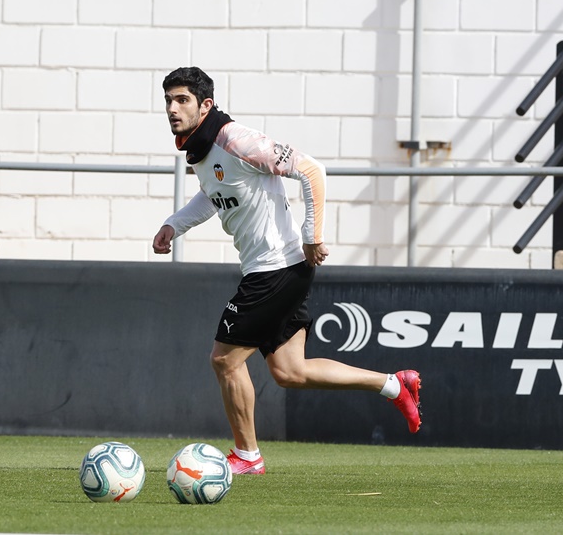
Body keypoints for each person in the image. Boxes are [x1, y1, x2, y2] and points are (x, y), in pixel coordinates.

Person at [151, 66, 421, 476]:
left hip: (276, 269)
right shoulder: (203, 149)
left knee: (224, 360)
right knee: (290, 372)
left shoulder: (236, 139)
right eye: (168, 100)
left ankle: (247, 456)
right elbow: (212, 194)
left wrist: (313, 234)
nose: (172, 108)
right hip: (274, 269)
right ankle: (394, 385)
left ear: (205, 105)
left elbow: (311, 170)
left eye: (182, 99)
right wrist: (175, 224)